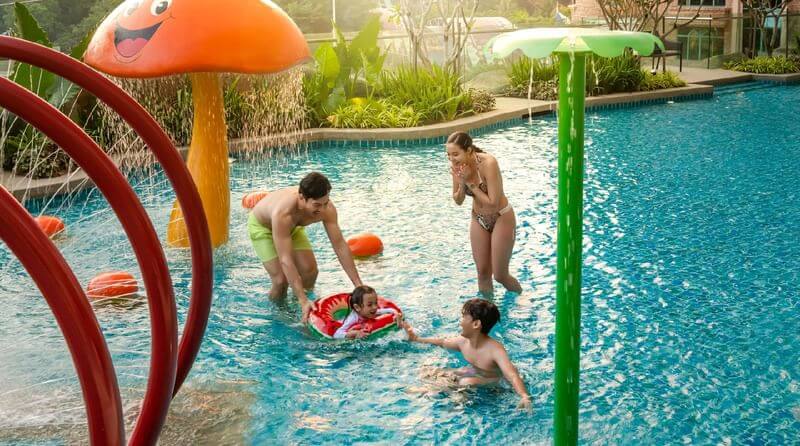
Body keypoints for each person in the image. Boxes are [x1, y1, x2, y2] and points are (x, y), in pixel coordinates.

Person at [248, 172, 366, 322]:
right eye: (317, 205)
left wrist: (358, 285)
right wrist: (303, 300)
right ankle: (279, 312)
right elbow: (286, 260)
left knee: (310, 271)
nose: (322, 209)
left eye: (325, 203)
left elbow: (339, 245)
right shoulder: (284, 214)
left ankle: (302, 304)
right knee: (280, 280)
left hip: (292, 228)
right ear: (301, 198)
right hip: (263, 228)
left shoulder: (327, 208)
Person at [404, 298, 531, 409]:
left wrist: (524, 396)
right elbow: (442, 342)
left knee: (466, 382)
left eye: (464, 317)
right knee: (428, 371)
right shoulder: (463, 342)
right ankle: (441, 390)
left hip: (495, 382)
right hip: (474, 371)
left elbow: (512, 375)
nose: (460, 322)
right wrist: (416, 338)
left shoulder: (495, 350)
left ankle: (441, 393)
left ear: (476, 324)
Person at [446, 131, 522, 295]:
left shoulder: (488, 163)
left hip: (501, 216)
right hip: (478, 219)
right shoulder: (457, 167)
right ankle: (487, 310)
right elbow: (458, 200)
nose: (452, 159)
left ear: (469, 150)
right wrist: (461, 183)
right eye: (449, 155)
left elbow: (493, 202)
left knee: (500, 276)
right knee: (482, 273)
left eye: (455, 154)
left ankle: (521, 298)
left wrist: (469, 182)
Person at [333, 285, 401, 340]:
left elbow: (390, 310)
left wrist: (396, 314)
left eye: (375, 303)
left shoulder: (371, 311)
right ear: (357, 307)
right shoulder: (352, 318)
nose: (375, 307)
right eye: (369, 305)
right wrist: (355, 333)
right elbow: (337, 334)